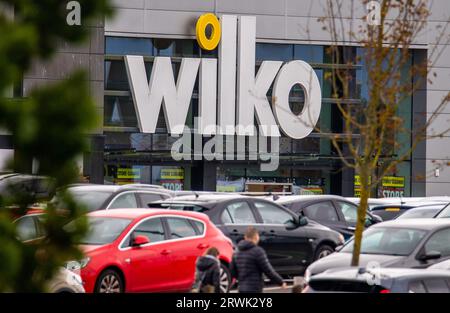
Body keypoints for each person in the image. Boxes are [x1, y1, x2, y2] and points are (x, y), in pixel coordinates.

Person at [230, 227, 286, 293]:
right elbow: (268, 270)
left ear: (245, 237)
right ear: (256, 237)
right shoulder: (258, 251)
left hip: (241, 288)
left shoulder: (236, 252)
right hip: (255, 288)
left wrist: (242, 280)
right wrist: (280, 281)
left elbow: (232, 271)